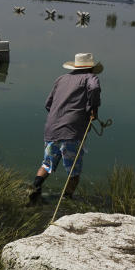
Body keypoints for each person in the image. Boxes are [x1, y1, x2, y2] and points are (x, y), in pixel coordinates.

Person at [28, 52, 102, 204]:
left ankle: (33, 189)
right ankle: (66, 201)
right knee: (74, 172)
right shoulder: (90, 78)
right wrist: (93, 108)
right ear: (91, 68)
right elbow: (94, 88)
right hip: (72, 133)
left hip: (52, 129)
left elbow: (48, 105)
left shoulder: (61, 79)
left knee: (46, 164)